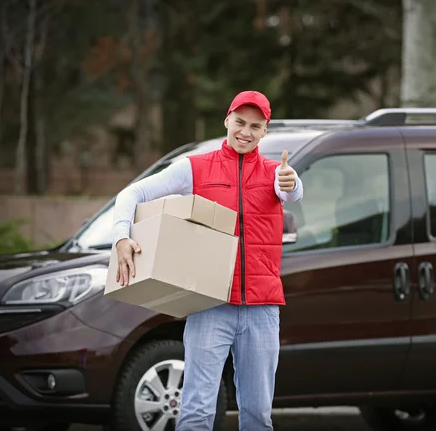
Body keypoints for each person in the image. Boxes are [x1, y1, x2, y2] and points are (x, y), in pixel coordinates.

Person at [112, 90, 303, 431]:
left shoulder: (277, 173)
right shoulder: (194, 168)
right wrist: (121, 236)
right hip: (209, 304)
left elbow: (292, 188)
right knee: (197, 411)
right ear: (227, 120)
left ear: (265, 132)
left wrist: (290, 181)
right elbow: (132, 193)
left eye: (255, 126)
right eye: (240, 122)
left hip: (262, 309)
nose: (246, 131)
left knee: (258, 415)